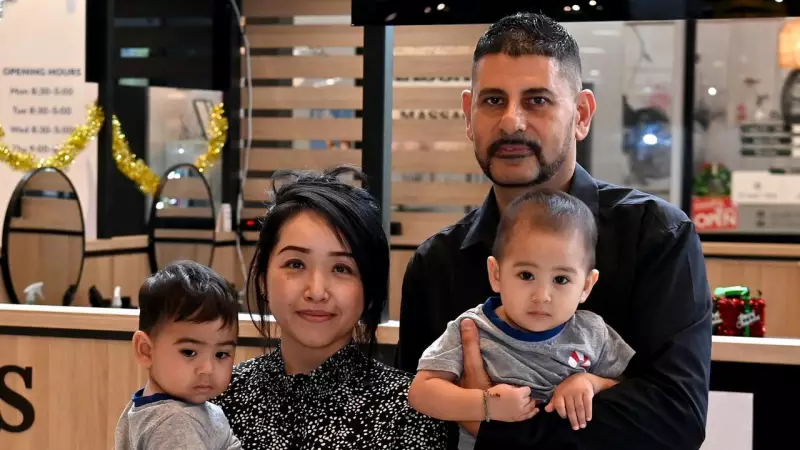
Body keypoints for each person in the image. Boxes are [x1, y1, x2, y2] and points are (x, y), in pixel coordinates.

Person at [395, 12, 712, 450]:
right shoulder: (437, 264)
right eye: (493, 101)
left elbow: (675, 418)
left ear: (581, 114)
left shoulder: (656, 236)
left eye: (537, 100)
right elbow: (416, 425)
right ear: (468, 115)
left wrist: (494, 425)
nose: (511, 122)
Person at [211, 167, 447, 449]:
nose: (316, 291)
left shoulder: (412, 409)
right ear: (263, 279)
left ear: (369, 289)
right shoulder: (214, 397)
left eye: (341, 268)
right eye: (295, 264)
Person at [408, 189, 635, 449]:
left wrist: (589, 382)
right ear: (496, 274)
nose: (542, 296)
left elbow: (625, 387)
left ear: (586, 286)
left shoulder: (592, 332)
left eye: (561, 279)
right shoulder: (473, 327)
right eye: (526, 275)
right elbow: (421, 392)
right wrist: (486, 404)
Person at [114, 260, 243, 450]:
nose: (207, 369)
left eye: (221, 354)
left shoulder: (143, 409)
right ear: (146, 350)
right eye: (189, 352)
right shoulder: (175, 423)